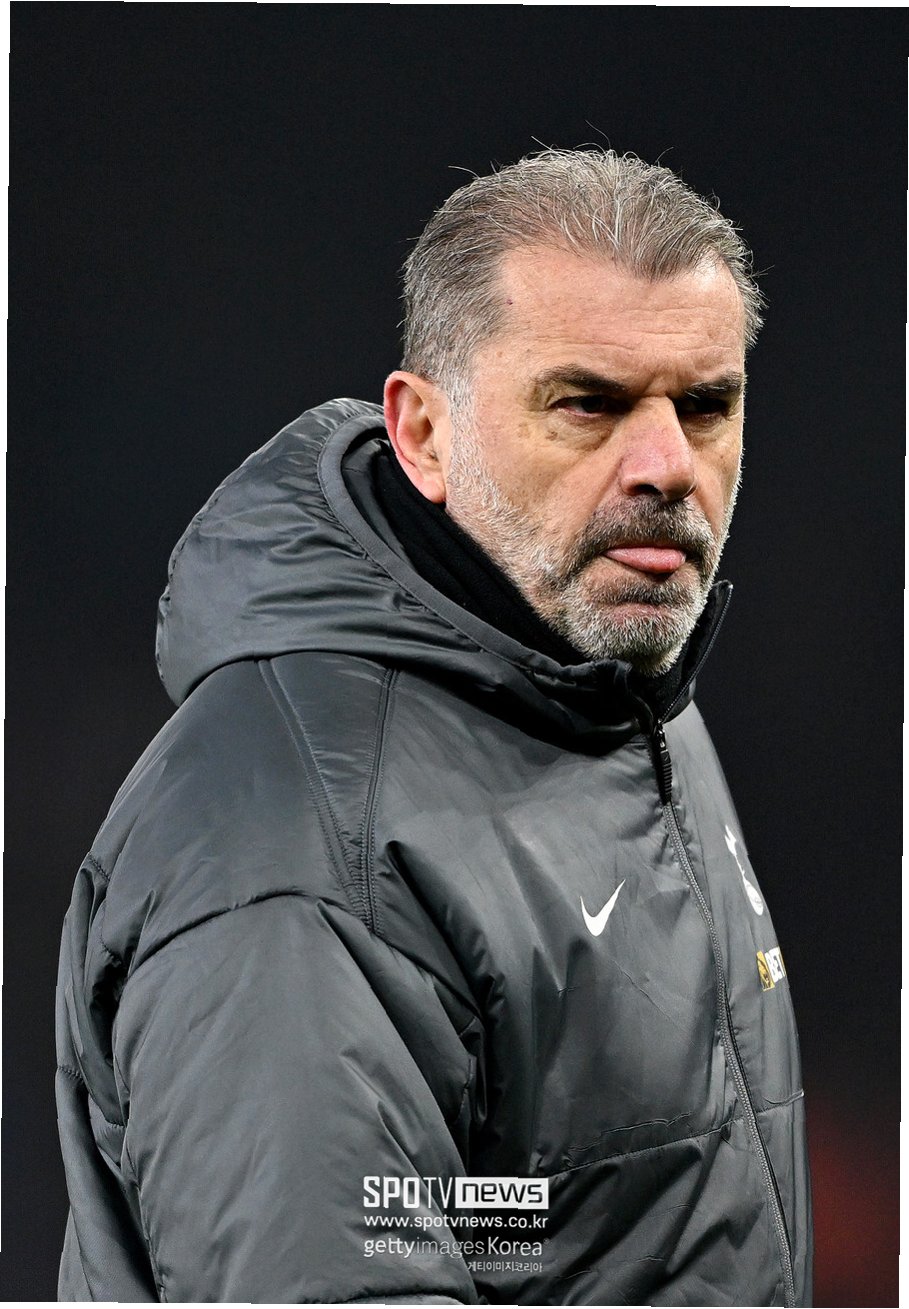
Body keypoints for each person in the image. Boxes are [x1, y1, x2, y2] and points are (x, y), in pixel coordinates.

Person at [55, 148, 812, 1306]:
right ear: (421, 433)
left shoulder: (614, 684)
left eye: (706, 406)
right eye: (587, 404)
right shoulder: (302, 856)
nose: (669, 466)